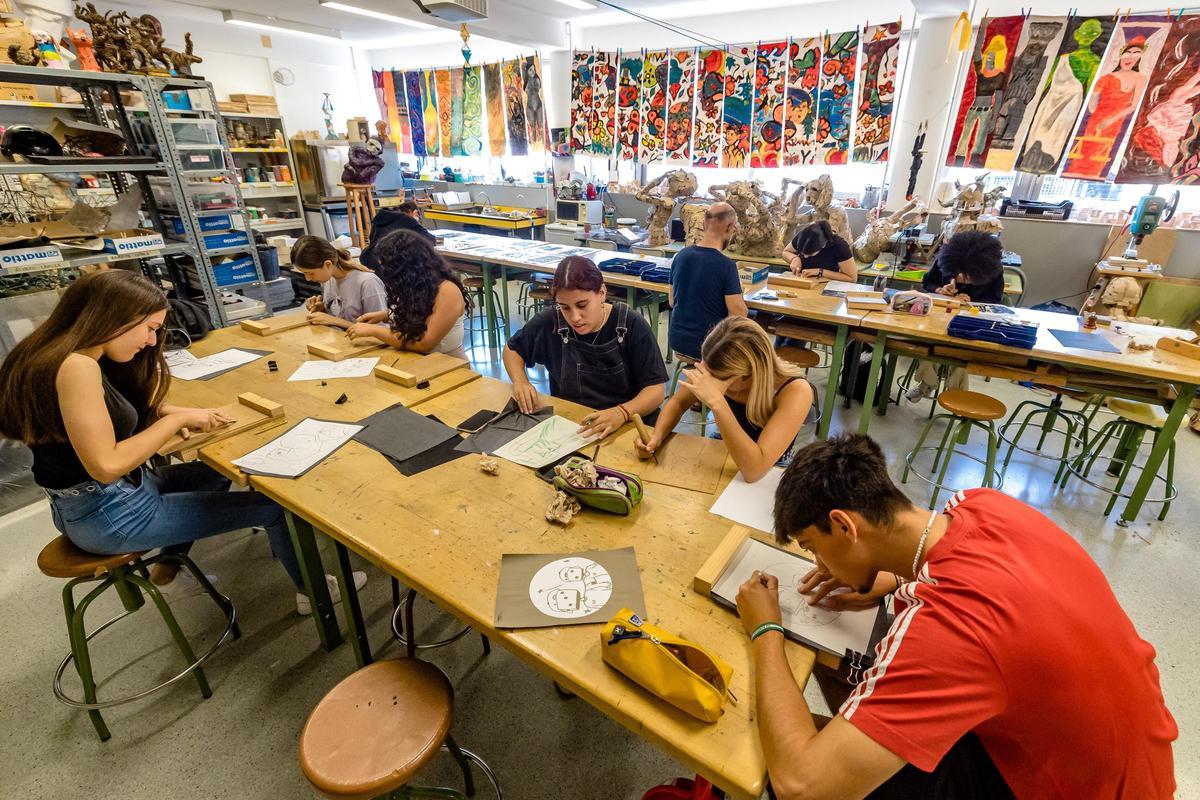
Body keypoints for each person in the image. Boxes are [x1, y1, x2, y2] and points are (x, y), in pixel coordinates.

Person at [734, 434, 1176, 799]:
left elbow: (803, 787)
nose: (819, 565)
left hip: (1065, 788)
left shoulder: (950, 629)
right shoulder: (983, 504)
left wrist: (766, 630)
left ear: (845, 527)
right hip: (1120, 759)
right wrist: (893, 576)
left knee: (772, 756)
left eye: (814, 548)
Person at [0, 270, 364, 615]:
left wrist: (172, 412)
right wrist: (172, 422)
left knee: (219, 471)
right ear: (113, 318)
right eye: (149, 328)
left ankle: (167, 573)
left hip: (93, 503)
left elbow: (102, 415)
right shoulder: (78, 367)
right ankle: (317, 595)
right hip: (111, 512)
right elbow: (106, 465)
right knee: (276, 508)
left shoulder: (57, 354)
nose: (151, 341)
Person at [504, 256, 668, 439]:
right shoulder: (550, 322)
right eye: (565, 307)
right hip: (574, 426)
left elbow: (656, 391)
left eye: (582, 305)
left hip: (627, 426)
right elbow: (512, 350)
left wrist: (621, 412)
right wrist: (520, 381)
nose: (575, 317)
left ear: (602, 293)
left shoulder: (631, 324)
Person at [638, 317, 814, 483]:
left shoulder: (795, 391)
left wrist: (717, 402)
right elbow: (678, 403)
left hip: (770, 469)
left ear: (748, 375)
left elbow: (754, 470)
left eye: (720, 379)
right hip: (726, 450)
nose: (710, 380)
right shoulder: (717, 367)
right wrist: (657, 436)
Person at [908, 230, 1005, 401]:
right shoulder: (944, 262)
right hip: (940, 317)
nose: (960, 279)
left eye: (967, 278)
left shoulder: (994, 271)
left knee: (960, 353)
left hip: (972, 323)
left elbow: (995, 300)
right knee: (931, 345)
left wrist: (972, 301)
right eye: (957, 274)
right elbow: (928, 282)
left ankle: (956, 393)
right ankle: (926, 384)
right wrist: (939, 290)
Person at [344, 230, 469, 360]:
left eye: (388, 268)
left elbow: (424, 342)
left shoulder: (447, 291)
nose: (385, 273)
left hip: (448, 364)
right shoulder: (415, 284)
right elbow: (421, 310)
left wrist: (374, 330)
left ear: (406, 267)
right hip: (416, 360)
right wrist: (386, 314)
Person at [667, 202, 748, 361]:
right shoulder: (726, 265)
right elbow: (739, 314)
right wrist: (738, 291)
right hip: (709, 348)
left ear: (704, 225)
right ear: (729, 228)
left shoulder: (680, 256)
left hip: (677, 341)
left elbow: (671, 301)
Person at [291, 235, 388, 330]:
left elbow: (380, 330)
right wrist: (322, 309)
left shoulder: (367, 282)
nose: (308, 279)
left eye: (311, 273)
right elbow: (340, 315)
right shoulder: (329, 279)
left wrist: (334, 320)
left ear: (328, 264)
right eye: (304, 273)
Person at [361, 200, 435, 269]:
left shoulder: (381, 217)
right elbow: (430, 240)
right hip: (388, 265)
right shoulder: (407, 219)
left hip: (369, 260)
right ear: (415, 213)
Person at [783, 221, 857, 283]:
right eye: (802, 253)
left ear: (823, 246)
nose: (805, 257)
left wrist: (820, 272)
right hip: (803, 280)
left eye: (809, 254)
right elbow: (786, 252)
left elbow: (852, 278)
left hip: (825, 284)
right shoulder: (804, 235)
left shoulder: (839, 245)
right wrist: (794, 259)